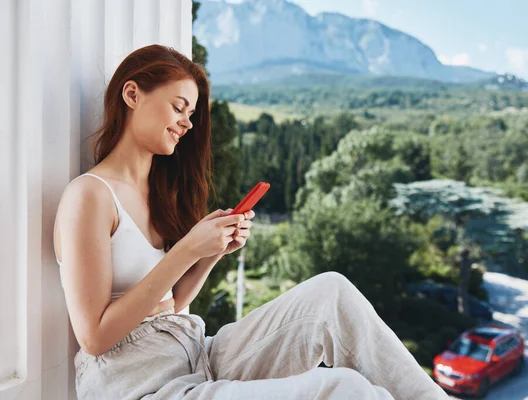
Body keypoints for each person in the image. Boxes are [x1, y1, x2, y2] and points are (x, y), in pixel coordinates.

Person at [53, 44, 448, 400]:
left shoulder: (153, 192)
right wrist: (188, 248)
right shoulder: (90, 195)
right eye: (178, 107)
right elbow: (94, 337)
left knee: (331, 294)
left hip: (192, 355)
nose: (187, 124)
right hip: (139, 385)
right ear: (132, 94)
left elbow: (169, 304)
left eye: (191, 114)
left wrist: (210, 254)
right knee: (346, 389)